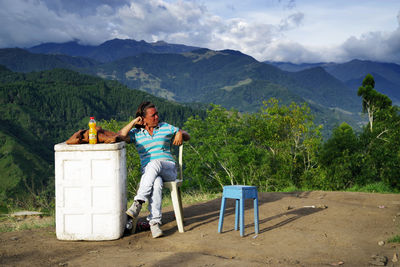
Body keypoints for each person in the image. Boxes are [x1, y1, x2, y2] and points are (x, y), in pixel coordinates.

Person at [118, 101, 190, 238]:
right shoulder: (136, 133)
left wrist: (180, 132)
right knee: (156, 182)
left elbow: (188, 136)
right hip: (150, 174)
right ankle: (155, 223)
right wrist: (134, 122)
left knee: (154, 163)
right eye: (153, 115)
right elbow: (120, 136)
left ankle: (138, 202)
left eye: (157, 114)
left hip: (168, 168)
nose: (157, 117)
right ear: (143, 119)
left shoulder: (165, 127)